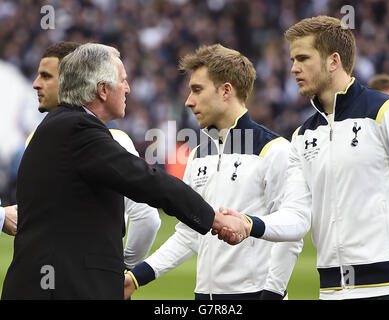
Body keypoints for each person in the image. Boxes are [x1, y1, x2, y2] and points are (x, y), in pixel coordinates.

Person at [1, 43, 249, 300]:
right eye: (123, 81)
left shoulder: (59, 126)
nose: (128, 88)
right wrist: (215, 219)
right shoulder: (79, 130)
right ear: (103, 90)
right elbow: (147, 181)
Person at [220, 15, 389, 300]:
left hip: (388, 288)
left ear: (333, 61)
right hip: (329, 291)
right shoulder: (302, 136)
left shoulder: (386, 113)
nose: (293, 68)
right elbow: (297, 216)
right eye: (292, 59)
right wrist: (250, 224)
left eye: (303, 58)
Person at [124, 44, 302, 300]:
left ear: (226, 90)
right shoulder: (198, 155)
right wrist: (135, 279)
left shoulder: (274, 151)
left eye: (197, 89)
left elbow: (291, 234)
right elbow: (188, 234)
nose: (188, 101)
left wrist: (272, 295)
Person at [30, 41, 161, 271]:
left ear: (71, 79)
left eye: (46, 76)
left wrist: (121, 269)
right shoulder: (37, 137)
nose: (36, 84)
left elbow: (147, 217)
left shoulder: (113, 140)